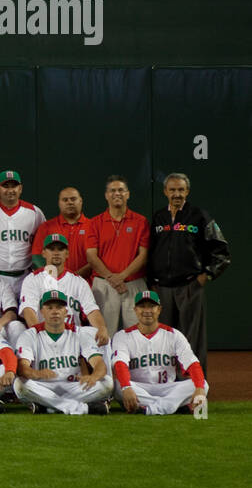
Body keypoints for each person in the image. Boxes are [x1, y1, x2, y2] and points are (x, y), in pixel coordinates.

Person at [146, 173, 230, 369]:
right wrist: (151, 281)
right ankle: (167, 383)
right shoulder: (159, 217)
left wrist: (206, 274)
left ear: (187, 192)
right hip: (162, 289)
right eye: (173, 190)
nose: (177, 194)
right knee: (164, 338)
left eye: (181, 190)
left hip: (189, 286)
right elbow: (150, 251)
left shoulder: (199, 216)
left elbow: (222, 251)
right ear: (165, 192)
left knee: (192, 339)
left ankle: (195, 387)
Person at [12, 290, 110, 416]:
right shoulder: (30, 334)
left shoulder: (79, 333)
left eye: (59, 307)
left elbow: (99, 364)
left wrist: (93, 377)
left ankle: (48, 407)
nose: (55, 311)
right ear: (42, 312)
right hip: (43, 386)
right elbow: (22, 367)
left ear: (66, 312)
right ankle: (82, 409)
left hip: (74, 387)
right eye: (50, 307)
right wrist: (36, 373)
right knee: (19, 384)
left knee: (107, 382)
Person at [111, 290, 209, 415]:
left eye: (152, 306)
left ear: (159, 309)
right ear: (135, 310)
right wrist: (126, 387)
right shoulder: (123, 336)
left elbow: (192, 364)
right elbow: (120, 364)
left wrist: (199, 389)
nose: (147, 311)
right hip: (137, 388)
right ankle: (174, 406)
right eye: (142, 306)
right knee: (118, 386)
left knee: (203, 384)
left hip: (167, 388)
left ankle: (150, 409)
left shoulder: (174, 335)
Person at [85, 175, 150, 339]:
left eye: (121, 190)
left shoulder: (140, 221)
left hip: (134, 284)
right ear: (106, 195)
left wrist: (121, 276)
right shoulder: (95, 223)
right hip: (104, 284)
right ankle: (104, 366)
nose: (117, 193)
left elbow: (143, 256)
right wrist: (111, 278)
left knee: (138, 335)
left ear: (128, 194)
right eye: (112, 190)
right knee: (103, 334)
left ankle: (136, 366)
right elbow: (91, 257)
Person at [19, 234, 108, 347]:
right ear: (43, 253)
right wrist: (41, 336)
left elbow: (92, 310)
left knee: (101, 334)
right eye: (51, 249)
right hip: (42, 334)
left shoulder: (78, 281)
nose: (56, 253)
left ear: (67, 254)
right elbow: (28, 310)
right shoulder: (32, 279)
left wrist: (101, 328)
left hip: (72, 337)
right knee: (16, 327)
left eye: (60, 249)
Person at [0, 170, 45, 297]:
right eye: (6, 186)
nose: (10, 190)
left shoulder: (34, 212)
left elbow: (44, 243)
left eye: (14, 186)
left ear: (20, 188)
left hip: (25, 277)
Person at [30, 187, 92, 278]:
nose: (69, 202)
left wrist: (75, 278)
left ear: (81, 201)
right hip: (54, 284)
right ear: (59, 203)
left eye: (73, 199)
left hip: (87, 283)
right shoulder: (46, 227)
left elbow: (98, 258)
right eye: (65, 200)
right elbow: (37, 256)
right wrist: (55, 276)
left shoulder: (93, 226)